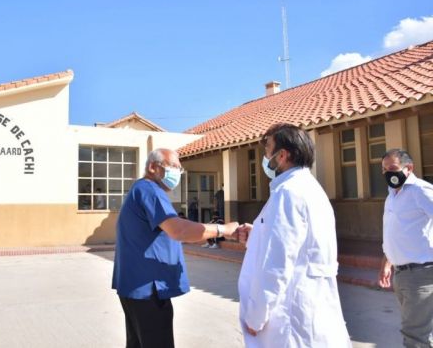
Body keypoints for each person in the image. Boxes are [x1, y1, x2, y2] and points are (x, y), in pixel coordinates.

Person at [112, 148, 240, 348]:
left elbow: (179, 231)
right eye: (173, 167)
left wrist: (200, 231)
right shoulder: (150, 190)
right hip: (148, 289)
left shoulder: (143, 190)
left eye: (179, 169)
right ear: (153, 167)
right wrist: (223, 229)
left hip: (137, 286)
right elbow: (178, 231)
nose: (177, 173)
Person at [237, 123, 350, 347]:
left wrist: (256, 315)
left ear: (282, 155)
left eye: (267, 148)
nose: (264, 156)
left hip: (291, 315)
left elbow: (276, 262)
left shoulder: (288, 192)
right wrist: (258, 232)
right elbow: (300, 243)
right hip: (312, 310)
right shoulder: (310, 189)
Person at [377, 149, 433, 347]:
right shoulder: (392, 195)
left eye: (392, 168)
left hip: (421, 274)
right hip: (402, 274)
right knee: (420, 331)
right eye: (384, 170)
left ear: (408, 168)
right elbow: (394, 232)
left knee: (415, 336)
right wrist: (387, 262)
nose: (387, 174)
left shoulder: (421, 191)